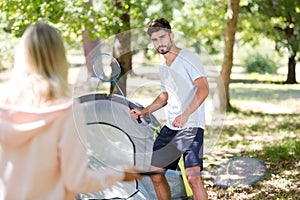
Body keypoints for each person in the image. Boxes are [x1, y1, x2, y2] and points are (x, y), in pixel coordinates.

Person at [0, 22, 141, 200]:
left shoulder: (3, 104)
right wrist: (119, 174)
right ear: (60, 58)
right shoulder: (66, 111)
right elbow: (76, 182)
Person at [130, 18, 209, 200]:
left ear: (171, 35)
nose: (160, 43)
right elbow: (165, 96)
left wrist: (185, 114)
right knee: (155, 174)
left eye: (162, 37)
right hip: (171, 128)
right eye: (155, 40)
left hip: (191, 126)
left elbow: (203, 89)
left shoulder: (188, 58)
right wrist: (144, 111)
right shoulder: (163, 67)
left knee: (193, 177)